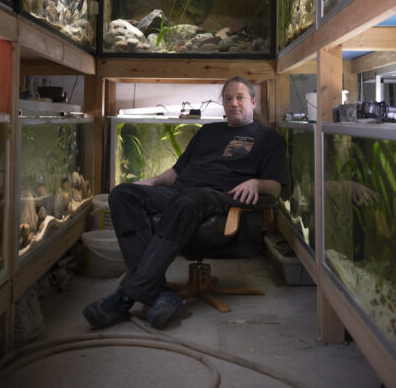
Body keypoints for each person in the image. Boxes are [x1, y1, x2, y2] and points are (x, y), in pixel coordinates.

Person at [83, 76, 286, 330]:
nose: (234, 103)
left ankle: (125, 297)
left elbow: (275, 187)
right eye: (228, 98)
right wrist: (152, 182)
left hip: (217, 196)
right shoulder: (207, 132)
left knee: (189, 199)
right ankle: (159, 293)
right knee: (122, 194)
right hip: (179, 192)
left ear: (253, 102)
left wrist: (256, 183)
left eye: (240, 97)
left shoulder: (269, 138)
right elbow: (176, 173)